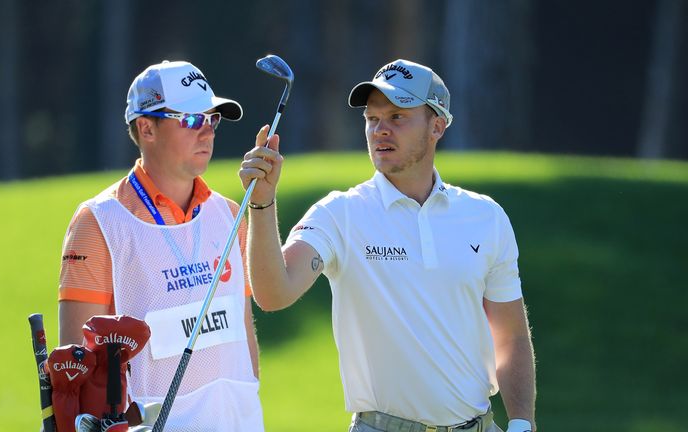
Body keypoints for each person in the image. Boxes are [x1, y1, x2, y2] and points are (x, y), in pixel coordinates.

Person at [239, 59, 536, 432]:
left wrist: (522, 422)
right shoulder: (340, 213)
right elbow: (273, 293)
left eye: (397, 117)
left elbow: (511, 335)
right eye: (372, 119)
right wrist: (262, 204)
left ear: (437, 126)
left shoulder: (485, 216)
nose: (380, 130)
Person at [58, 60, 264, 431]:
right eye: (191, 119)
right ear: (146, 128)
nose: (207, 131)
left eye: (212, 119)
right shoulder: (98, 222)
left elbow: (242, 339)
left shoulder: (231, 214)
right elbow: (78, 372)